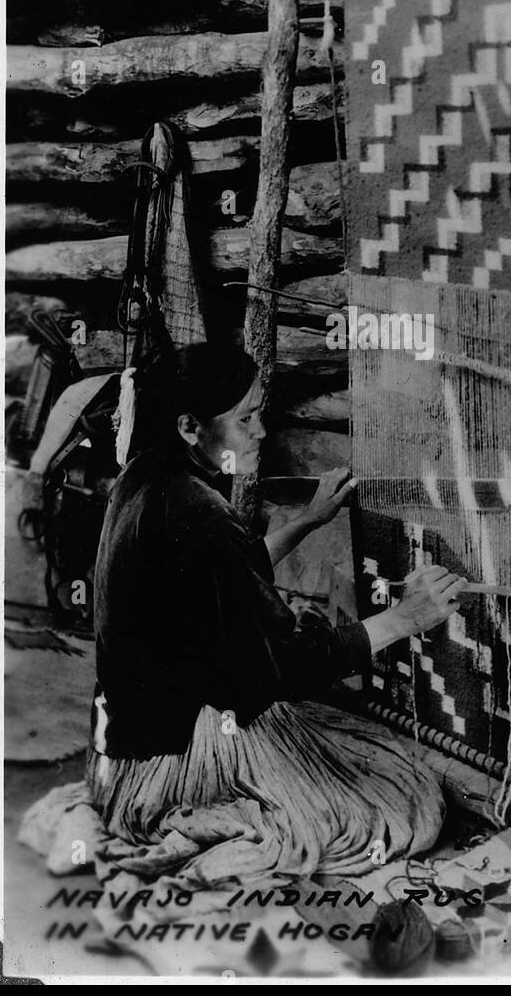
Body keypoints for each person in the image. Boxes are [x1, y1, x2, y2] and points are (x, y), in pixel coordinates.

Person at [84, 342, 466, 886]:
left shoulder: (147, 478)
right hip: (174, 756)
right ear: (190, 426)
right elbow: (280, 670)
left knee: (363, 759)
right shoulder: (196, 509)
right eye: (246, 419)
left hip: (125, 743)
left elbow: (222, 582)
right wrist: (405, 619)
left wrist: (310, 521)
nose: (261, 431)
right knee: (401, 807)